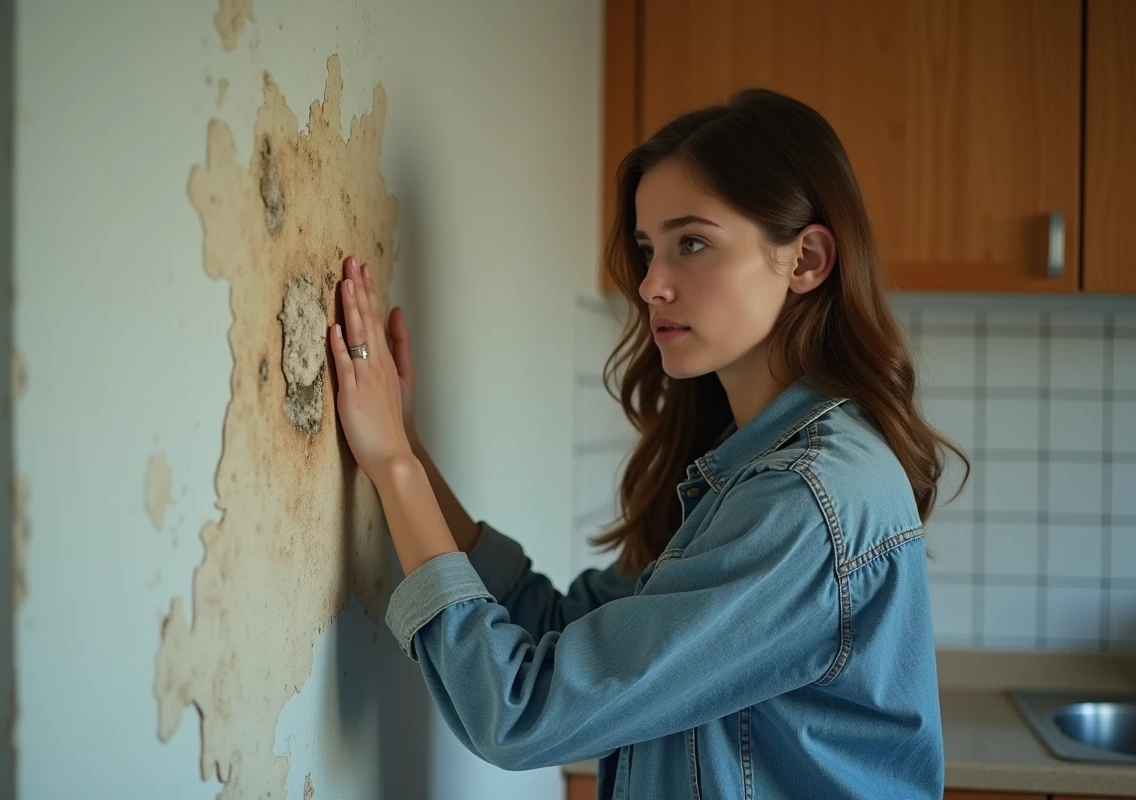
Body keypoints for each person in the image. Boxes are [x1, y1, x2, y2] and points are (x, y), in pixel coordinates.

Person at [326, 87, 968, 799]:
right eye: (646, 249)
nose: (652, 284)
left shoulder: (804, 498)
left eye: (691, 243)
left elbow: (522, 710)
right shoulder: (758, 468)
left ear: (806, 259)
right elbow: (569, 631)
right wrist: (409, 450)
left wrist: (393, 467)